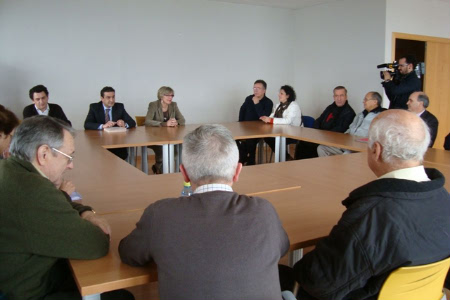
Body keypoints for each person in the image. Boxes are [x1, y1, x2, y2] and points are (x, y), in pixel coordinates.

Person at [282, 110, 450, 300]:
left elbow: (318, 281)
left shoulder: (372, 214)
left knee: (282, 275)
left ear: (376, 150)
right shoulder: (444, 198)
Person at [119, 124, 289, 300]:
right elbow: (282, 248)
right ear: (237, 172)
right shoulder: (264, 211)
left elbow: (128, 253)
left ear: (184, 173)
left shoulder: (160, 214)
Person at [0, 116, 134, 300]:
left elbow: (59, 200)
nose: (71, 165)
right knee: (121, 297)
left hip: (25, 274)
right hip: (29, 291)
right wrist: (91, 219)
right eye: (68, 156)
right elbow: (95, 243)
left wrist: (86, 212)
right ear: (44, 154)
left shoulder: (12, 170)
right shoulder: (32, 191)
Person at [317, 91, 385, 156]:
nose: (363, 101)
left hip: (361, 148)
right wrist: (345, 136)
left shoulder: (380, 117)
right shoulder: (360, 115)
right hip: (348, 144)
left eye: (366, 99)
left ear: (375, 102)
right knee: (322, 148)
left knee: (345, 156)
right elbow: (350, 128)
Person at [296, 86, 355, 159]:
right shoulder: (330, 107)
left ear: (346, 97)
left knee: (311, 146)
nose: (339, 98)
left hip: (333, 141)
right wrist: (317, 132)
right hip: (321, 136)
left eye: (341, 95)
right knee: (302, 142)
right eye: (336, 96)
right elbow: (319, 120)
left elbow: (340, 130)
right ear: (333, 97)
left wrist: (322, 135)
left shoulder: (349, 113)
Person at [84, 86, 136, 160]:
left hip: (117, 142)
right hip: (100, 142)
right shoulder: (94, 107)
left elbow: (132, 122)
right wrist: (103, 125)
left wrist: (124, 124)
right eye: (108, 97)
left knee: (122, 154)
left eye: (113, 97)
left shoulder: (119, 106)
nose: (111, 100)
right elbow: (87, 124)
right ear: (102, 98)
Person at [144, 86, 185, 174]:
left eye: (172, 95)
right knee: (162, 151)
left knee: (175, 152)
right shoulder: (153, 105)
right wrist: (164, 124)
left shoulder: (174, 105)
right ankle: (160, 170)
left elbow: (182, 120)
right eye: (168, 95)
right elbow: (147, 121)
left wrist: (176, 122)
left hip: (170, 136)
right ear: (161, 96)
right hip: (155, 137)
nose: (171, 98)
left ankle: (164, 170)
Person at [260, 85, 302, 160]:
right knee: (267, 136)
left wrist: (271, 120)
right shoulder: (279, 105)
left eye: (281, 93)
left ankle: (285, 158)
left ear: (288, 96)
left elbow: (287, 121)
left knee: (272, 139)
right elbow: (273, 116)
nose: (278, 95)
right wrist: (267, 118)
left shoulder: (294, 106)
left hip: (294, 132)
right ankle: (286, 157)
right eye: (279, 93)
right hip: (281, 130)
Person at [238, 79, 273, 165]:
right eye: (254, 88)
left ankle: (250, 160)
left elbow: (263, 117)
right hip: (245, 127)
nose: (255, 90)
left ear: (264, 90)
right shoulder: (249, 98)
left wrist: (257, 104)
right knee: (234, 138)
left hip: (260, 129)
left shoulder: (268, 102)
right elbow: (242, 110)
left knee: (250, 140)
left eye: (258, 88)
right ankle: (244, 158)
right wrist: (240, 123)